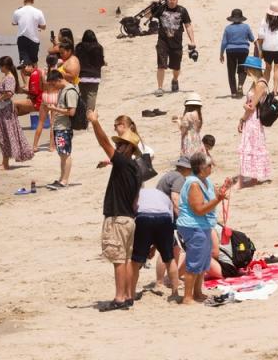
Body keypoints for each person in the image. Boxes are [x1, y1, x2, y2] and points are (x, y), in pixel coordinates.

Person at [88, 110, 141, 311]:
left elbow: (103, 142)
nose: (116, 147)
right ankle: (127, 295)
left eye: (119, 144)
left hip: (118, 218)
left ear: (125, 147)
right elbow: (136, 199)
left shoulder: (121, 161)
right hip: (129, 219)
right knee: (126, 259)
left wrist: (94, 122)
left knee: (118, 260)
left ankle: (120, 298)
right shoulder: (135, 167)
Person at [177, 152, 231, 305]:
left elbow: (213, 194)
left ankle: (197, 292)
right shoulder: (194, 183)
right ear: (200, 167)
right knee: (195, 261)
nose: (211, 167)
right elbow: (198, 209)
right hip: (193, 225)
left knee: (203, 260)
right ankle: (187, 297)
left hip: (203, 225)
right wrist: (217, 200)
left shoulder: (205, 180)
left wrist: (224, 189)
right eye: (209, 165)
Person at [130, 186, 179, 300]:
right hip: (164, 217)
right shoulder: (164, 196)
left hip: (143, 216)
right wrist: (155, 246)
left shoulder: (137, 193)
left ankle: (131, 293)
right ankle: (175, 293)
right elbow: (170, 219)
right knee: (169, 258)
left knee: (136, 260)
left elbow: (133, 211)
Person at [0, 56, 34, 169]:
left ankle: (5, 163)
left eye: (0, 66)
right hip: (3, 111)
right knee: (5, 134)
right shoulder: (7, 77)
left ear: (5, 66)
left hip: (5, 111)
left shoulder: (9, 78)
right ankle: (5, 162)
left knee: (5, 134)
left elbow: (9, 93)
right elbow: (3, 90)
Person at [237, 56, 272, 188]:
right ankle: (253, 178)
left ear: (251, 69)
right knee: (253, 147)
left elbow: (251, 107)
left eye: (247, 68)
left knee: (247, 147)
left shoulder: (259, 85)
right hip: (254, 120)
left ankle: (241, 182)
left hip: (252, 121)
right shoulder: (258, 83)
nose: (245, 70)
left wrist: (242, 117)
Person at [154, 0, 196, 95]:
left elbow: (188, 25)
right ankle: (160, 87)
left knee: (176, 67)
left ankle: (175, 80)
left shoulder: (182, 10)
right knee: (161, 65)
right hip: (163, 41)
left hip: (176, 43)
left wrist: (192, 40)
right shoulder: (161, 9)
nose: (172, 1)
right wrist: (153, 5)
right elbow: (147, 16)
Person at [44, 70, 78, 189]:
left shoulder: (69, 91)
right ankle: (61, 178)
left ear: (59, 80)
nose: (53, 87)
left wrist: (55, 109)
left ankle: (64, 180)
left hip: (64, 127)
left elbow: (72, 112)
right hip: (60, 127)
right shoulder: (63, 90)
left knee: (65, 154)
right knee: (62, 154)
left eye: (53, 84)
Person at [220, 8, 256, 98]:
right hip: (243, 50)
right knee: (242, 69)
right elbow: (252, 39)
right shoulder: (246, 27)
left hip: (230, 51)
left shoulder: (228, 28)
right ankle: (240, 85)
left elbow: (224, 42)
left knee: (231, 71)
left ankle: (233, 92)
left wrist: (221, 53)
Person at [12, 0, 47, 66]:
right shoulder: (38, 12)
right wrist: (36, 25)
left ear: (24, 0)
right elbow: (43, 26)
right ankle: (35, 77)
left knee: (23, 63)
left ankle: (26, 78)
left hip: (22, 38)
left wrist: (21, 22)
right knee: (34, 62)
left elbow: (14, 23)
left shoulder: (17, 12)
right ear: (33, 1)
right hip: (34, 39)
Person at [75, 29, 106, 110]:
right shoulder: (98, 47)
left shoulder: (79, 46)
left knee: (83, 96)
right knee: (92, 95)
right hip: (94, 77)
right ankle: (89, 114)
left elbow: (76, 60)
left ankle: (83, 116)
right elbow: (100, 62)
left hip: (82, 76)